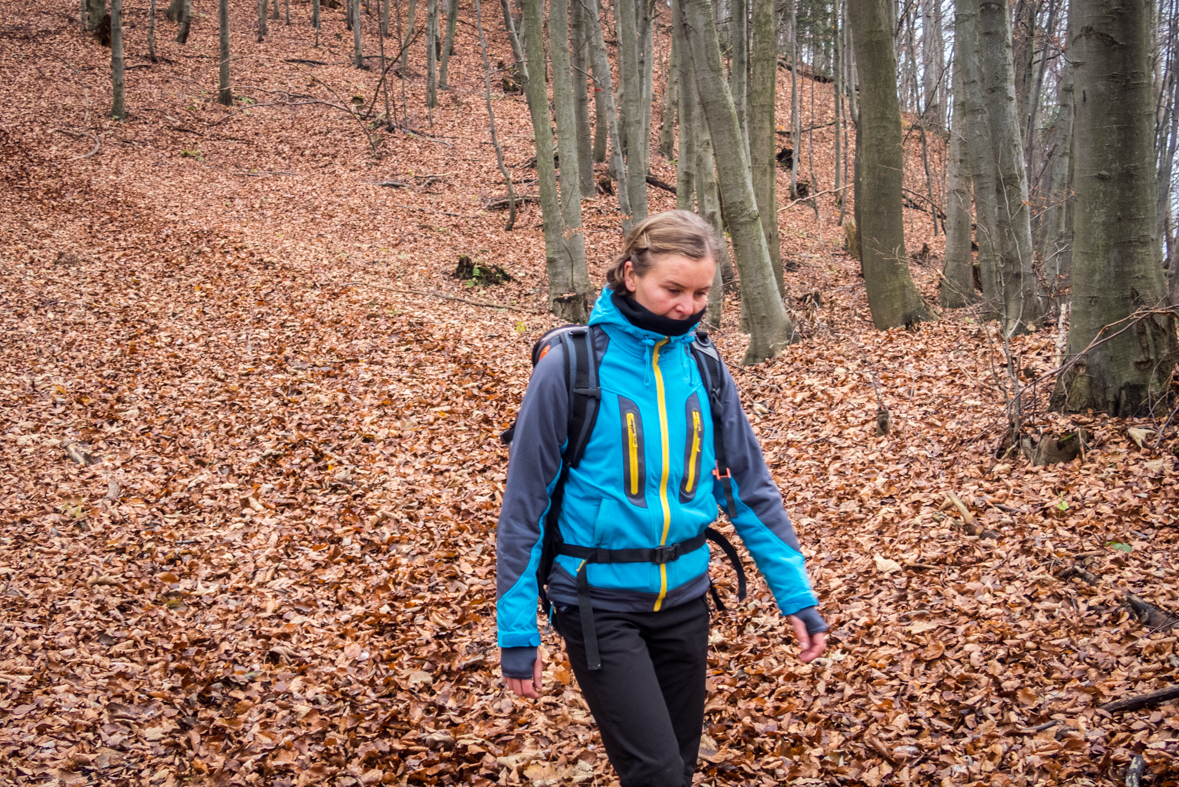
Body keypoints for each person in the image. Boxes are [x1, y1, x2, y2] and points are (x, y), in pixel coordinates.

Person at [496, 210, 827, 787]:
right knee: (655, 774)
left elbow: (749, 490)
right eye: (672, 289)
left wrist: (796, 597)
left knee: (678, 764)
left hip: (686, 600)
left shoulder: (705, 366)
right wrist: (518, 631)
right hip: (597, 602)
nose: (688, 306)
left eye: (701, 292)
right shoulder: (571, 367)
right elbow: (525, 508)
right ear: (630, 274)